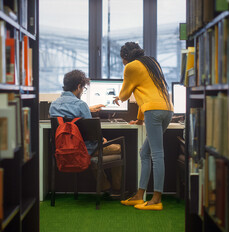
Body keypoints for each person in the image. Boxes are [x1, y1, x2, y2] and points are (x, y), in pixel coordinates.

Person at [113, 42, 173, 210]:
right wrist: (140, 120)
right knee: (145, 152)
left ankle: (156, 200)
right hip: (167, 109)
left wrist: (117, 98)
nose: (123, 63)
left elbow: (125, 94)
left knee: (157, 155)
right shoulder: (151, 63)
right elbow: (146, 93)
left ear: (125, 57)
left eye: (122, 60)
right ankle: (139, 195)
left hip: (153, 111)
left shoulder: (131, 67)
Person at [49, 69, 122, 197]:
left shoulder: (53, 105)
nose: (83, 91)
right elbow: (91, 134)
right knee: (117, 148)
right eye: (83, 88)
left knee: (94, 148)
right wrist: (101, 139)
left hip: (61, 149)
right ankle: (115, 189)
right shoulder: (81, 105)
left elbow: (68, 117)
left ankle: (106, 187)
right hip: (82, 150)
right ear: (78, 86)